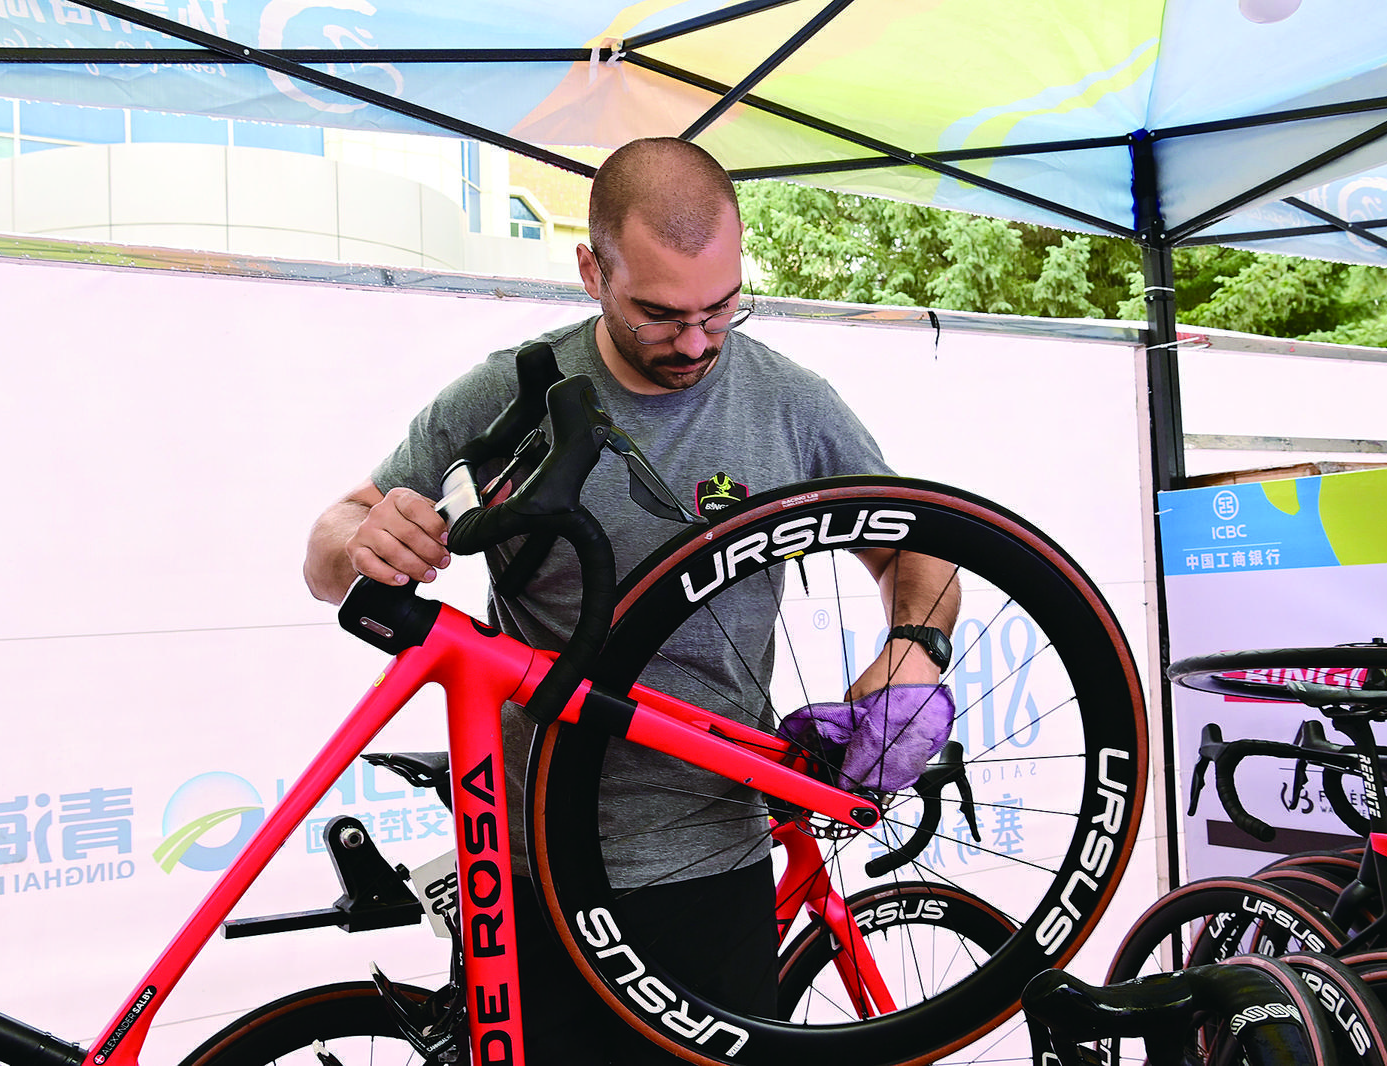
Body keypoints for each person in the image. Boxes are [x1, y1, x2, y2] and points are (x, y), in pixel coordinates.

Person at [303, 136, 957, 1063]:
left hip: (713, 856)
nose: (694, 342)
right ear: (591, 271)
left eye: (721, 307)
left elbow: (919, 547)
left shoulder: (789, 403)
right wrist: (360, 542)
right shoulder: (513, 392)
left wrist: (914, 652)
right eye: (658, 314)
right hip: (530, 861)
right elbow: (333, 543)